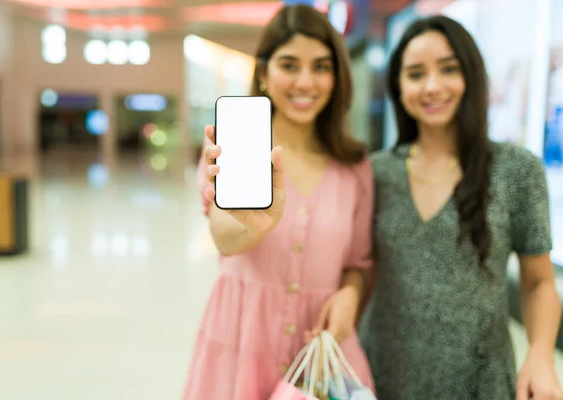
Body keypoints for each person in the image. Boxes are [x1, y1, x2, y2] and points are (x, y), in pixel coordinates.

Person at [357, 15, 563, 400]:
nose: (432, 86)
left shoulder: (516, 170)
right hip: (382, 374)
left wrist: (540, 353)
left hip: (478, 381)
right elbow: (362, 272)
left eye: (448, 69)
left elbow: (538, 281)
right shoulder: (375, 172)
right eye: (416, 74)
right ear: (399, 87)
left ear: (471, 75)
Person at [182, 4, 375, 400]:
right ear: (265, 73)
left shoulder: (354, 167)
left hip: (323, 353)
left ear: (337, 77)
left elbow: (358, 262)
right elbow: (223, 237)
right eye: (289, 65)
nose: (306, 81)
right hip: (240, 344)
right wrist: (252, 226)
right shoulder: (230, 147)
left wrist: (351, 295)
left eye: (321, 67)